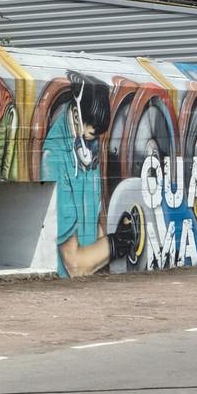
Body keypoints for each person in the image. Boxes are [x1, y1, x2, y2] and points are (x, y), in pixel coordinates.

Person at [41, 72, 137, 276]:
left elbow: (95, 227)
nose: (95, 139)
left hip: (89, 283)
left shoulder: (87, 145)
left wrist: (113, 240)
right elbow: (73, 265)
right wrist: (115, 244)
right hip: (63, 287)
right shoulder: (54, 158)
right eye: (93, 131)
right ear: (76, 116)